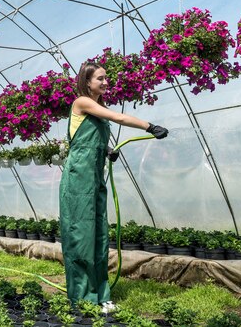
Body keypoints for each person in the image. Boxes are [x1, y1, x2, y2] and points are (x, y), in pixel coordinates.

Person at [59, 61, 168, 311]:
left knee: (98, 235)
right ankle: (83, 297)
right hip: (78, 179)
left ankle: (100, 293)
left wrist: (106, 149)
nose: (106, 82)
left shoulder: (97, 107)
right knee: (81, 235)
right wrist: (149, 126)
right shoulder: (82, 102)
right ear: (87, 82)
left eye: (106, 78)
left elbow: (89, 137)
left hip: (94, 177)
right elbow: (118, 118)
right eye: (101, 78)